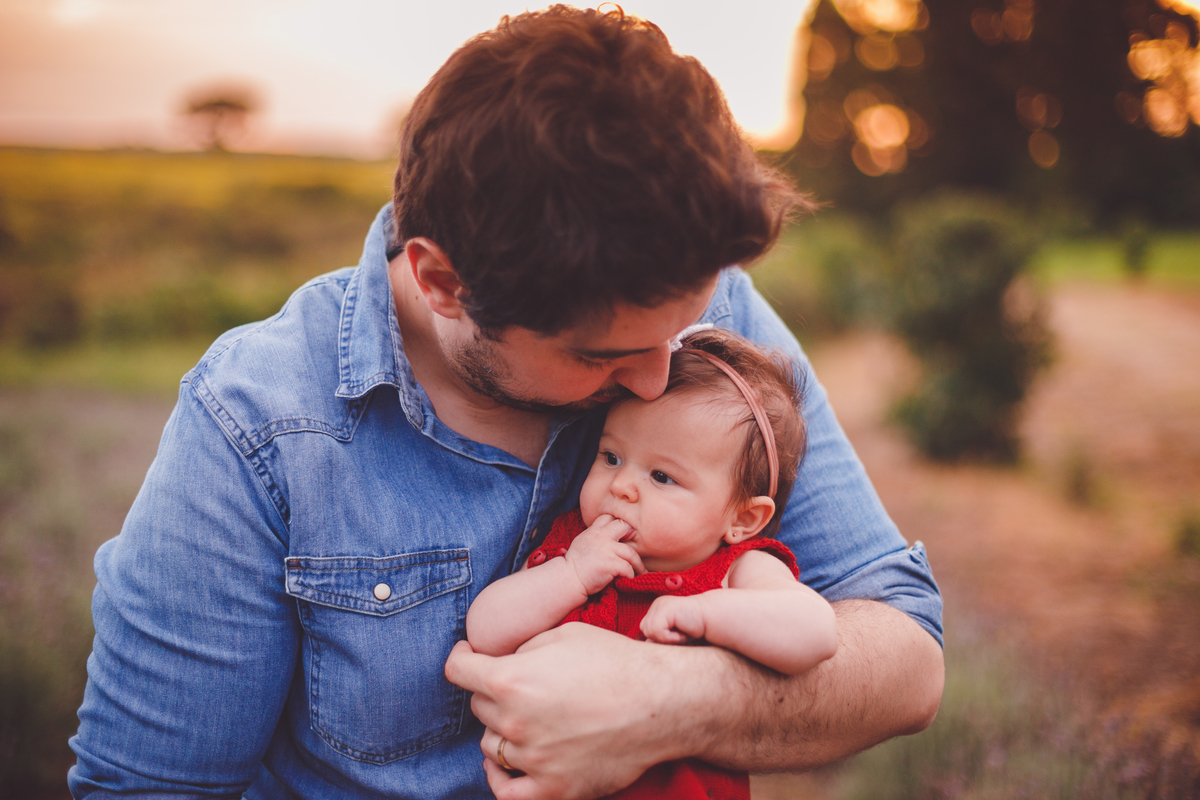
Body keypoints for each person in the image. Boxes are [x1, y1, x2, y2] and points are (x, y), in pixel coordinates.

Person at [69, 6, 944, 800]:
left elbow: (906, 659)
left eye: (675, 337)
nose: (655, 379)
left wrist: (672, 701)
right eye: (602, 356)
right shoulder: (254, 424)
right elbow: (148, 787)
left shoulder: (697, 321)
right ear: (443, 282)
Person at [466, 329, 839, 800]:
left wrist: (708, 614)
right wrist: (571, 574)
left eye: (662, 476)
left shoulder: (733, 571)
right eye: (612, 456)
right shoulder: (576, 547)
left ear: (743, 518)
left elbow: (815, 631)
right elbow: (485, 629)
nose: (621, 485)